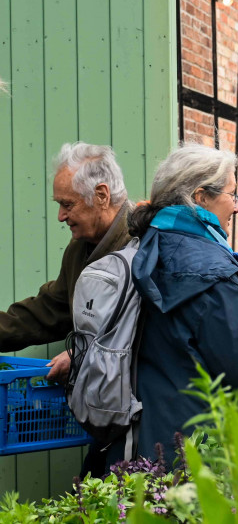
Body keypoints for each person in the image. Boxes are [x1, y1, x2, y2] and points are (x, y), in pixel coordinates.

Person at [118, 143, 238, 467]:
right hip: (203, 449)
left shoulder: (147, 245)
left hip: (148, 436)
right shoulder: (214, 274)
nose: (237, 208)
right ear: (201, 197)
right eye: (233, 195)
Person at [0, 142, 132, 381]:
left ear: (101, 195)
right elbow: (49, 311)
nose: (61, 216)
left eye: (68, 204)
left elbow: (146, 334)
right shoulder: (79, 249)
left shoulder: (145, 244)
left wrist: (82, 355)